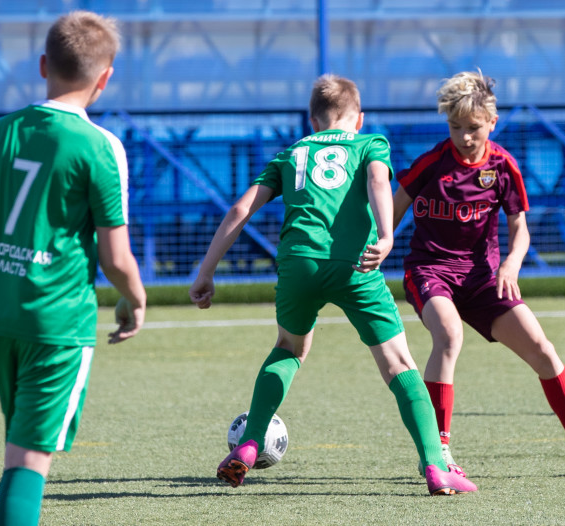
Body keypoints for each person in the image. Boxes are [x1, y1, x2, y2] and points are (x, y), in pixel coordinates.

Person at [189, 74, 477, 496]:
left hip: (298, 262)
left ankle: (250, 442)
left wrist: (206, 271)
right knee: (399, 362)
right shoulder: (369, 144)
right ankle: (436, 466)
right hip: (354, 264)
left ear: (312, 119)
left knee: (288, 347)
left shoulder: (291, 153)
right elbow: (380, 181)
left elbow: (240, 208)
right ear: (358, 119)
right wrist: (385, 235)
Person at [0, 11, 147, 526]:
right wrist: (136, 300)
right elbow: (116, 258)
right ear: (106, 77)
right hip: (57, 324)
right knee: (29, 460)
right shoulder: (101, 147)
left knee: (18, 453)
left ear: (43, 64)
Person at [392, 70, 565, 478]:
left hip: (485, 279)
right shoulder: (432, 163)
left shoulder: (503, 167)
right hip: (430, 270)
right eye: (455, 128)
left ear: (492, 124)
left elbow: (520, 229)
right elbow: (391, 211)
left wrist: (511, 263)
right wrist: (376, 245)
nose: (464, 137)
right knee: (448, 335)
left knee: (542, 349)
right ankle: (439, 452)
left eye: (473, 128)